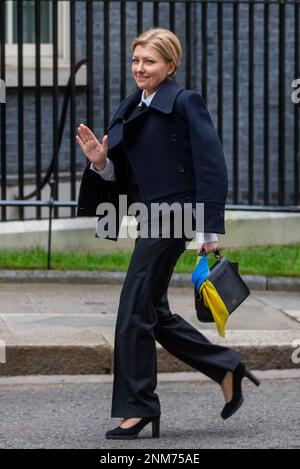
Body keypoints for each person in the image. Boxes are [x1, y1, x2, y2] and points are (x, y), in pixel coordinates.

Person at [76, 28, 260, 440]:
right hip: (149, 216)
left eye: (150, 61)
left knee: (131, 310)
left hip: (176, 217)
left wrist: (208, 230)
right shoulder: (130, 106)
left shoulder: (184, 102)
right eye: (136, 60)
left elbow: (211, 163)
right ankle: (225, 366)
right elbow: (124, 174)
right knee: (153, 312)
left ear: (170, 66)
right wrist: (101, 163)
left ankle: (138, 408)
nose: (140, 68)